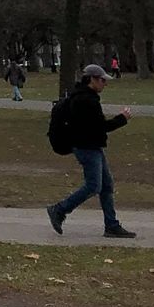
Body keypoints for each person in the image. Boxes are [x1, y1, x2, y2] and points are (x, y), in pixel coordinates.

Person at [47, 63, 137, 238]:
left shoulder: (84, 97)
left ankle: (111, 225)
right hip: (86, 148)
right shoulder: (85, 101)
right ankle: (59, 209)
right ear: (92, 80)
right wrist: (122, 119)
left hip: (91, 146)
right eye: (102, 80)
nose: (105, 83)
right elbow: (100, 127)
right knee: (94, 185)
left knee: (106, 185)